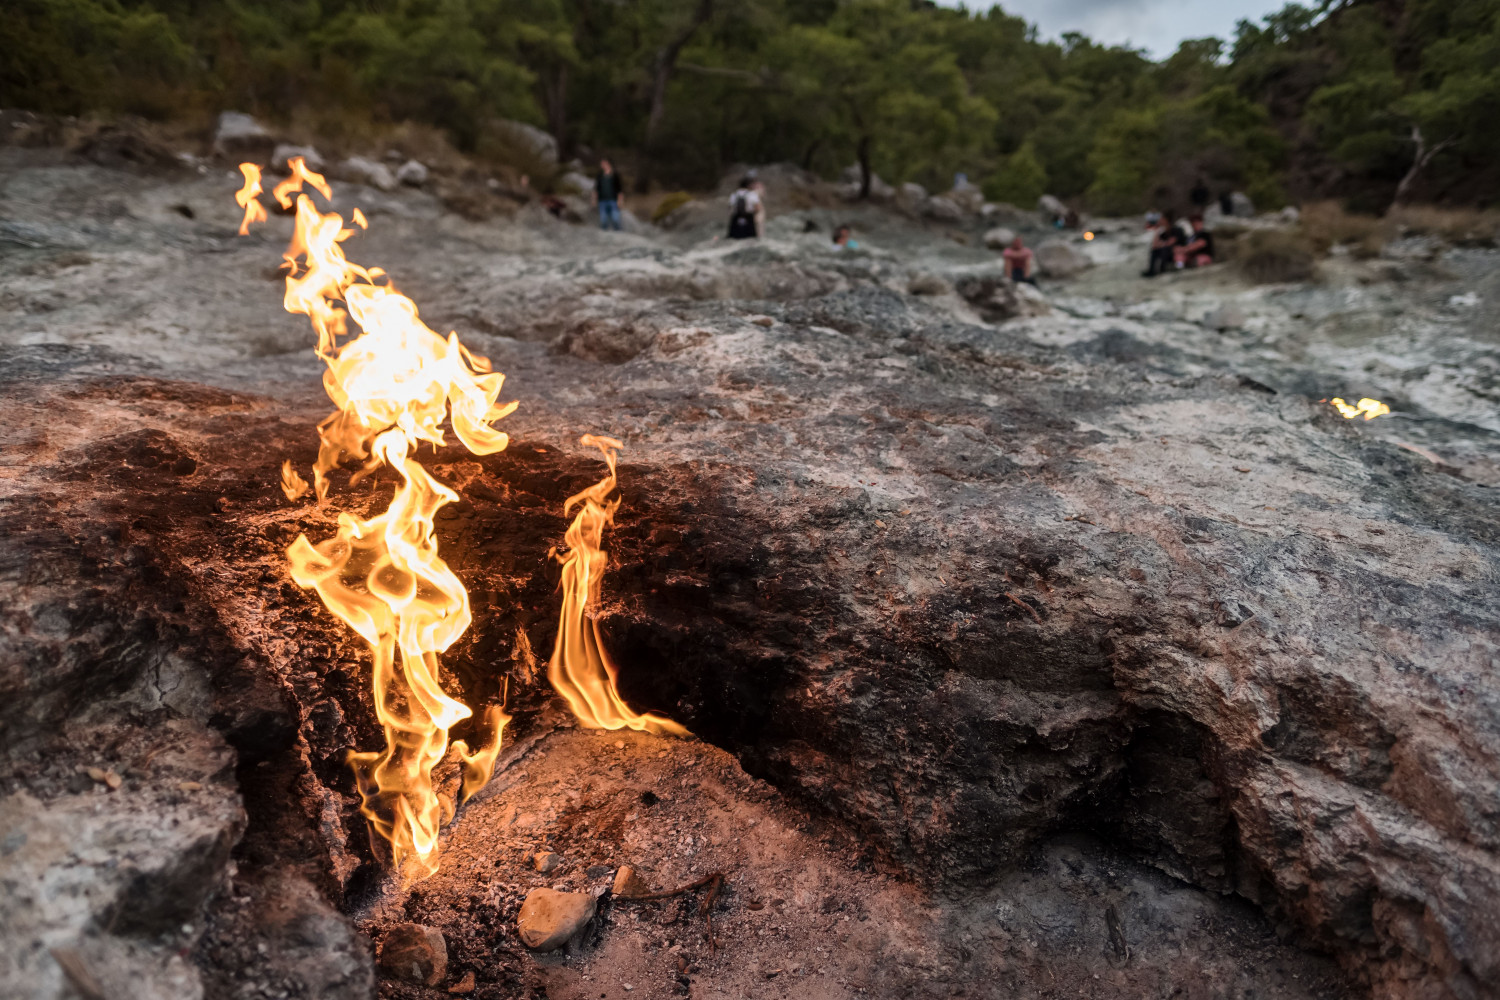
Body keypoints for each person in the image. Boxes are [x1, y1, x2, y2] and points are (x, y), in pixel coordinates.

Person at [1143, 211, 1180, 277]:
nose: (1159, 221)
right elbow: (1155, 245)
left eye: (1162, 219)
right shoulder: (1164, 233)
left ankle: (1162, 269)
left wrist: (1162, 244)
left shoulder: (1176, 230)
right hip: (1168, 251)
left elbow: (1171, 242)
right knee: (1155, 251)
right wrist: (1157, 230)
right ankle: (1152, 271)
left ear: (1166, 220)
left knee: (1164, 249)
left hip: (1177, 252)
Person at [592, 159, 623, 231]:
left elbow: (620, 190)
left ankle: (619, 234)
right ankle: (604, 236)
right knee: (603, 221)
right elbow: (596, 189)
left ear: (608, 164)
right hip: (602, 201)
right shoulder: (600, 175)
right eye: (601, 164)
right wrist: (594, 200)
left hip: (613, 201)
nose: (602, 166)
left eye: (604, 164)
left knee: (616, 219)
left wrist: (620, 201)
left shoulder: (615, 175)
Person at [727, 174, 761, 239]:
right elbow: (757, 208)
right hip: (748, 217)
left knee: (734, 237)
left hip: (736, 218)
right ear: (748, 185)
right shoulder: (752, 194)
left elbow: (729, 207)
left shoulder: (734, 194)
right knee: (750, 237)